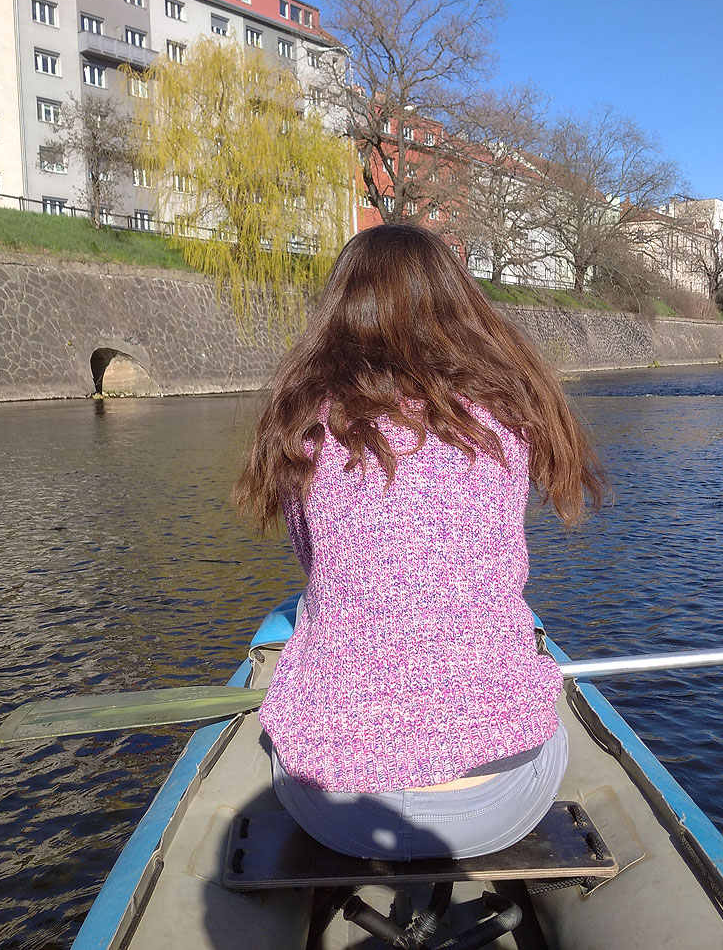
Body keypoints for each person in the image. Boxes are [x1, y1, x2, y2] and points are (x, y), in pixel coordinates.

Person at [234, 224, 608, 861]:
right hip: (504, 797)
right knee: (549, 727)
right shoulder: (509, 417)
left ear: (343, 309)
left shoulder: (305, 423)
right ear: (459, 307)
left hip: (337, 810)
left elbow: (317, 563)